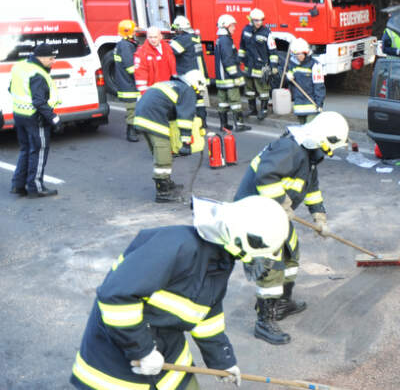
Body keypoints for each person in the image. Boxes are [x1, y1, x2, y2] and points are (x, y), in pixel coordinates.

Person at [70, 195, 290, 390]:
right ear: (244, 241)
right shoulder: (176, 246)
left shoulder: (220, 261)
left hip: (168, 355)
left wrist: (223, 362)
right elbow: (115, 296)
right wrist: (143, 351)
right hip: (116, 365)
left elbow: (206, 318)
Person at [234, 111, 349, 345]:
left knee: (291, 252)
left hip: (275, 213)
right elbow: (266, 176)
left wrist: (320, 218)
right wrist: (284, 204)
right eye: (330, 147)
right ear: (322, 139)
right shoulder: (290, 149)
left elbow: (311, 188)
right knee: (271, 263)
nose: (330, 152)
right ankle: (264, 322)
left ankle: (282, 304)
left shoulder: (310, 156)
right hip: (255, 213)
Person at [134, 72, 202, 203]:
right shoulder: (188, 91)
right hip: (153, 117)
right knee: (163, 154)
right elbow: (185, 120)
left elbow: (171, 112)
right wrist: (186, 142)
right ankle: (163, 191)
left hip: (141, 115)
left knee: (159, 151)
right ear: (197, 85)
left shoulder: (175, 85)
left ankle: (167, 182)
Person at [10, 43, 60, 198]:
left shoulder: (21, 67)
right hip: (35, 118)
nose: (53, 61)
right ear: (42, 58)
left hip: (19, 114)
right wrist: (53, 118)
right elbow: (39, 102)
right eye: (51, 58)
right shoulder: (38, 74)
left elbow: (11, 88)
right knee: (38, 151)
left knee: (25, 150)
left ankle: (18, 185)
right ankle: (35, 187)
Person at [239, 8, 278, 121]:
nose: (259, 23)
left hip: (262, 67)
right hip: (249, 66)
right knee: (249, 89)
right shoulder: (246, 30)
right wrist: (240, 59)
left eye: (261, 20)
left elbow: (273, 50)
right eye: (256, 20)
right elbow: (242, 46)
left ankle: (263, 110)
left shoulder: (267, 33)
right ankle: (252, 109)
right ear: (251, 20)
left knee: (263, 90)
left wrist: (274, 66)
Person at [168, 16, 207, 126]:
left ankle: (189, 123)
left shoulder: (182, 40)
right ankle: (203, 122)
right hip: (200, 73)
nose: (175, 32)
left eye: (176, 29)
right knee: (202, 99)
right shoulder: (195, 37)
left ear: (180, 29)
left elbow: (171, 52)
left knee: (186, 99)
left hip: (188, 74)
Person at [214, 14, 250, 132]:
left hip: (221, 79)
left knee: (223, 102)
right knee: (235, 102)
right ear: (226, 26)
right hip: (229, 78)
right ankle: (239, 125)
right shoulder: (225, 41)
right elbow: (228, 60)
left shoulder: (221, 39)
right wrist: (237, 75)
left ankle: (224, 125)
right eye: (233, 26)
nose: (234, 28)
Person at [113, 20, 141, 142]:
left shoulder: (125, 44)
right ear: (128, 32)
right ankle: (131, 132)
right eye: (134, 31)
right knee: (132, 109)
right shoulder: (125, 46)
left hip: (127, 82)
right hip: (128, 84)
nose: (136, 33)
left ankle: (134, 127)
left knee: (135, 108)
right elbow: (131, 68)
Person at [286, 38, 326, 123]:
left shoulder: (315, 65)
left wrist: (319, 103)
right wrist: (288, 77)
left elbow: (319, 86)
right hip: (299, 104)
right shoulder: (293, 64)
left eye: (301, 54)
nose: (299, 56)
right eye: (296, 54)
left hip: (312, 105)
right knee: (302, 129)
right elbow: (289, 82)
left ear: (306, 53)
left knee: (310, 130)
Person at [133, 26, 176, 95]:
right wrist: (145, 94)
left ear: (160, 37)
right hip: (153, 91)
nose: (153, 40)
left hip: (169, 88)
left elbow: (173, 66)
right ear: (147, 37)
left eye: (155, 37)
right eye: (150, 37)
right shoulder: (142, 53)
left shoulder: (167, 48)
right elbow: (140, 75)